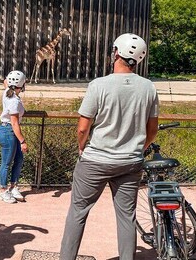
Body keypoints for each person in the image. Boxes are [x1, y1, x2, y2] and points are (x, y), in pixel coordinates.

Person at [60, 33, 159, 260]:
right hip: (130, 162)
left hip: (95, 160)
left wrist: (82, 149)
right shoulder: (148, 88)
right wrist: (139, 148)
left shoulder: (99, 85)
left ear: (116, 53)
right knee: (126, 216)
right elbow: (152, 130)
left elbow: (83, 128)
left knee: (78, 212)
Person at [0, 70, 29, 204]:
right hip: (9, 131)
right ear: (22, 85)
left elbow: (5, 83)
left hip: (9, 131)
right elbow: (14, 123)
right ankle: (3, 191)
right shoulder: (14, 100)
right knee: (7, 163)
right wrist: (23, 141)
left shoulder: (7, 92)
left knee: (19, 159)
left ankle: (13, 187)